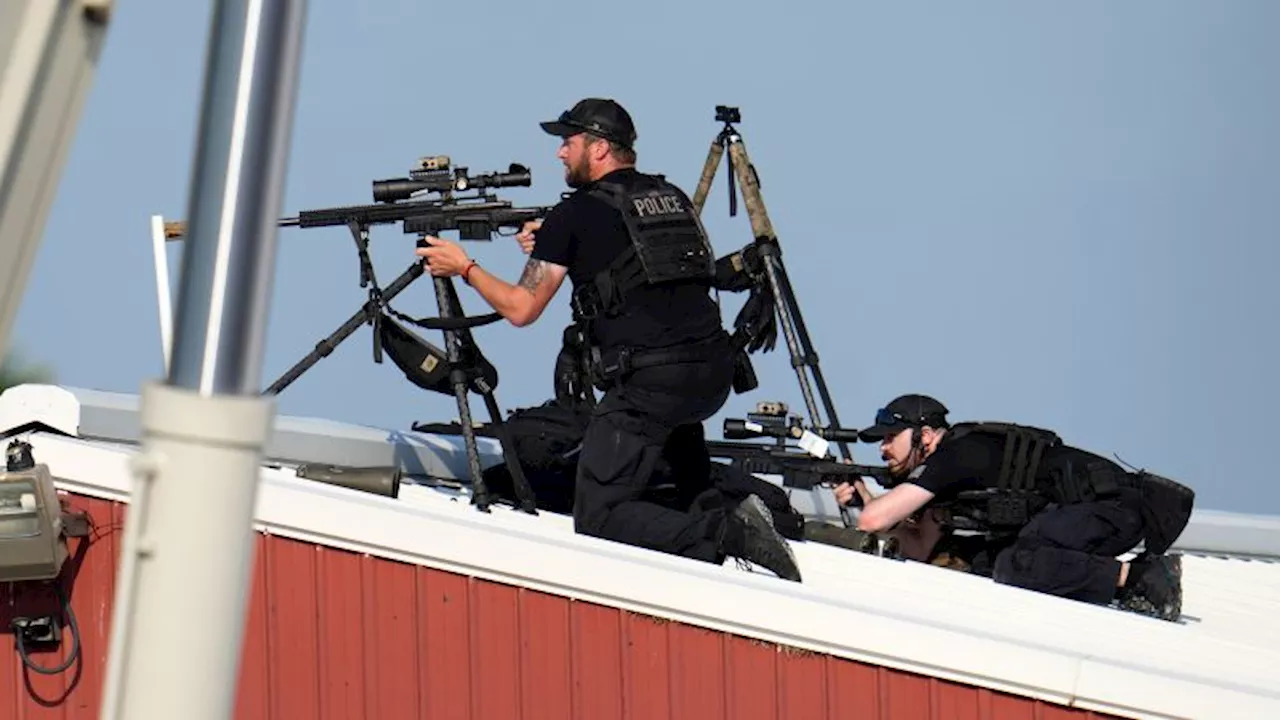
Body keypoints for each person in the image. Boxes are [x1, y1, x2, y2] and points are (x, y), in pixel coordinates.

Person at [415, 97, 801, 582]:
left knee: (599, 515)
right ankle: (731, 518)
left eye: (568, 142)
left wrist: (463, 268)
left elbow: (521, 308)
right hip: (709, 372)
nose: (559, 153)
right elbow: (640, 264)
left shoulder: (573, 216)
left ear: (598, 149)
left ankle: (734, 536)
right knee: (685, 483)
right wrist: (559, 244)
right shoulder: (670, 197)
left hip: (649, 383)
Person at [832, 393, 1191, 621]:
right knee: (979, 558)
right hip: (1088, 514)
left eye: (890, 438)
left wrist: (868, 502)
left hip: (1113, 507)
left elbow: (873, 519)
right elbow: (922, 547)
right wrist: (876, 510)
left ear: (925, 436)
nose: (883, 449)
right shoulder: (948, 473)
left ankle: (1143, 579)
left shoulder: (953, 456)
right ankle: (1132, 576)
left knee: (1018, 563)